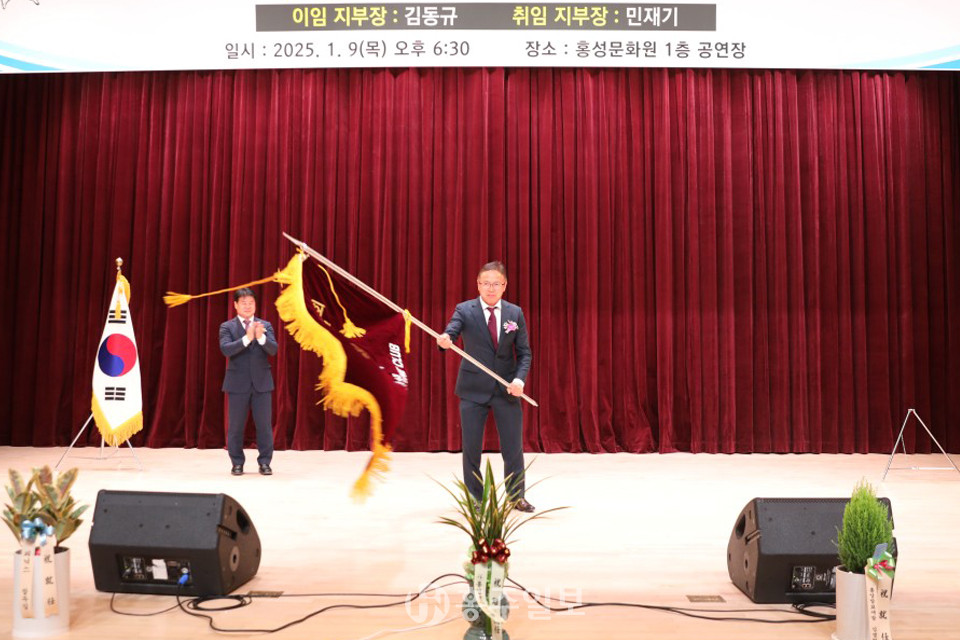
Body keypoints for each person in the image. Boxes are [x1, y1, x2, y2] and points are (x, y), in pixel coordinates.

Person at [437, 261, 534, 512]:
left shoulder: (515, 313)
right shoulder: (464, 310)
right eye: (486, 283)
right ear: (478, 285)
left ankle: (516, 496)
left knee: (513, 448)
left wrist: (519, 380)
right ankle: (476, 499)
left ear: (504, 286)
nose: (491, 288)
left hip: (506, 389)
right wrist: (446, 338)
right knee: (471, 448)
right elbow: (451, 331)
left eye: (496, 284)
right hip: (473, 389)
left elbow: (524, 353)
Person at [219, 287, 278, 476]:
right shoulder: (227, 327)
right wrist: (247, 338)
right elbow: (226, 349)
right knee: (235, 427)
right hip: (237, 384)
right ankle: (237, 463)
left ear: (255, 305)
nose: (247, 306)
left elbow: (273, 349)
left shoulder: (265, 325)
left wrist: (261, 338)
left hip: (262, 384)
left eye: (251, 302)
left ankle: (265, 463)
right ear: (235, 305)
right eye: (243, 302)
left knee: (264, 427)